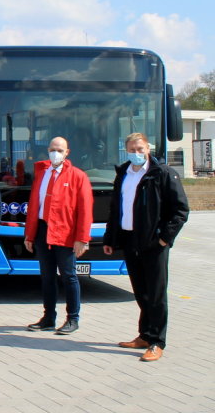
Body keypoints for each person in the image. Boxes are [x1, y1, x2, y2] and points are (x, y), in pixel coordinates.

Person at [104, 132, 189, 362]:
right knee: (140, 292)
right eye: (132, 149)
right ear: (126, 150)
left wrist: (164, 238)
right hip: (131, 241)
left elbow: (181, 211)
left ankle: (157, 342)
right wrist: (110, 239)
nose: (136, 153)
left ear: (148, 149)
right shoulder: (123, 173)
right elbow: (116, 209)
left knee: (156, 294)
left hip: (154, 244)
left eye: (140, 149)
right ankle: (144, 335)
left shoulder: (162, 173)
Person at [24, 136, 93, 335]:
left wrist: (82, 238)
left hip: (65, 233)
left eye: (60, 150)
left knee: (69, 276)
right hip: (43, 232)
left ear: (67, 152)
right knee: (47, 277)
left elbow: (85, 210)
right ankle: (48, 318)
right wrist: (29, 235)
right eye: (53, 149)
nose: (56, 153)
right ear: (48, 150)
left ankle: (73, 318)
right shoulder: (42, 174)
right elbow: (34, 206)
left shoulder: (78, 176)